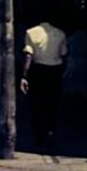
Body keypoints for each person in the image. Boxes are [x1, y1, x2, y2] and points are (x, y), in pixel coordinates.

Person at [20, 14, 67, 149]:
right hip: (55, 70)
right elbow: (63, 55)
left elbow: (28, 55)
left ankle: (38, 135)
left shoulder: (30, 32)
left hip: (37, 70)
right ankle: (51, 130)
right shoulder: (60, 33)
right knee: (53, 103)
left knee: (36, 104)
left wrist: (24, 75)